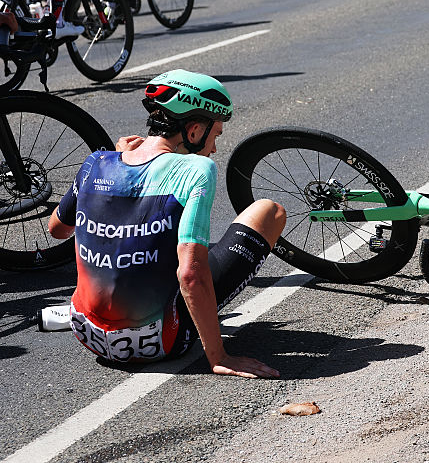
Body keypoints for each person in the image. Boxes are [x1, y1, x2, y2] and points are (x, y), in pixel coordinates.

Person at [46, 70, 287, 379]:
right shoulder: (197, 169)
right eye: (215, 136)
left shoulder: (98, 161)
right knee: (269, 211)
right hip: (161, 343)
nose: (213, 148)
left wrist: (118, 163)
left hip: (87, 336)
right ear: (195, 129)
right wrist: (219, 356)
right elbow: (190, 274)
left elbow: (58, 229)